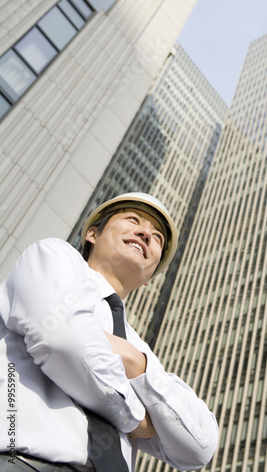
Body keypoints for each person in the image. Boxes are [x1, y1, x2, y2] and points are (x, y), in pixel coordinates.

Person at [0, 192, 218, 471]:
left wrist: (136, 361)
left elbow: (200, 447)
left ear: (150, 277)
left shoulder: (140, 350)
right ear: (92, 233)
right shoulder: (52, 255)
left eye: (157, 238)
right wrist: (137, 419)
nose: (146, 234)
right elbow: (63, 340)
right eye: (133, 219)